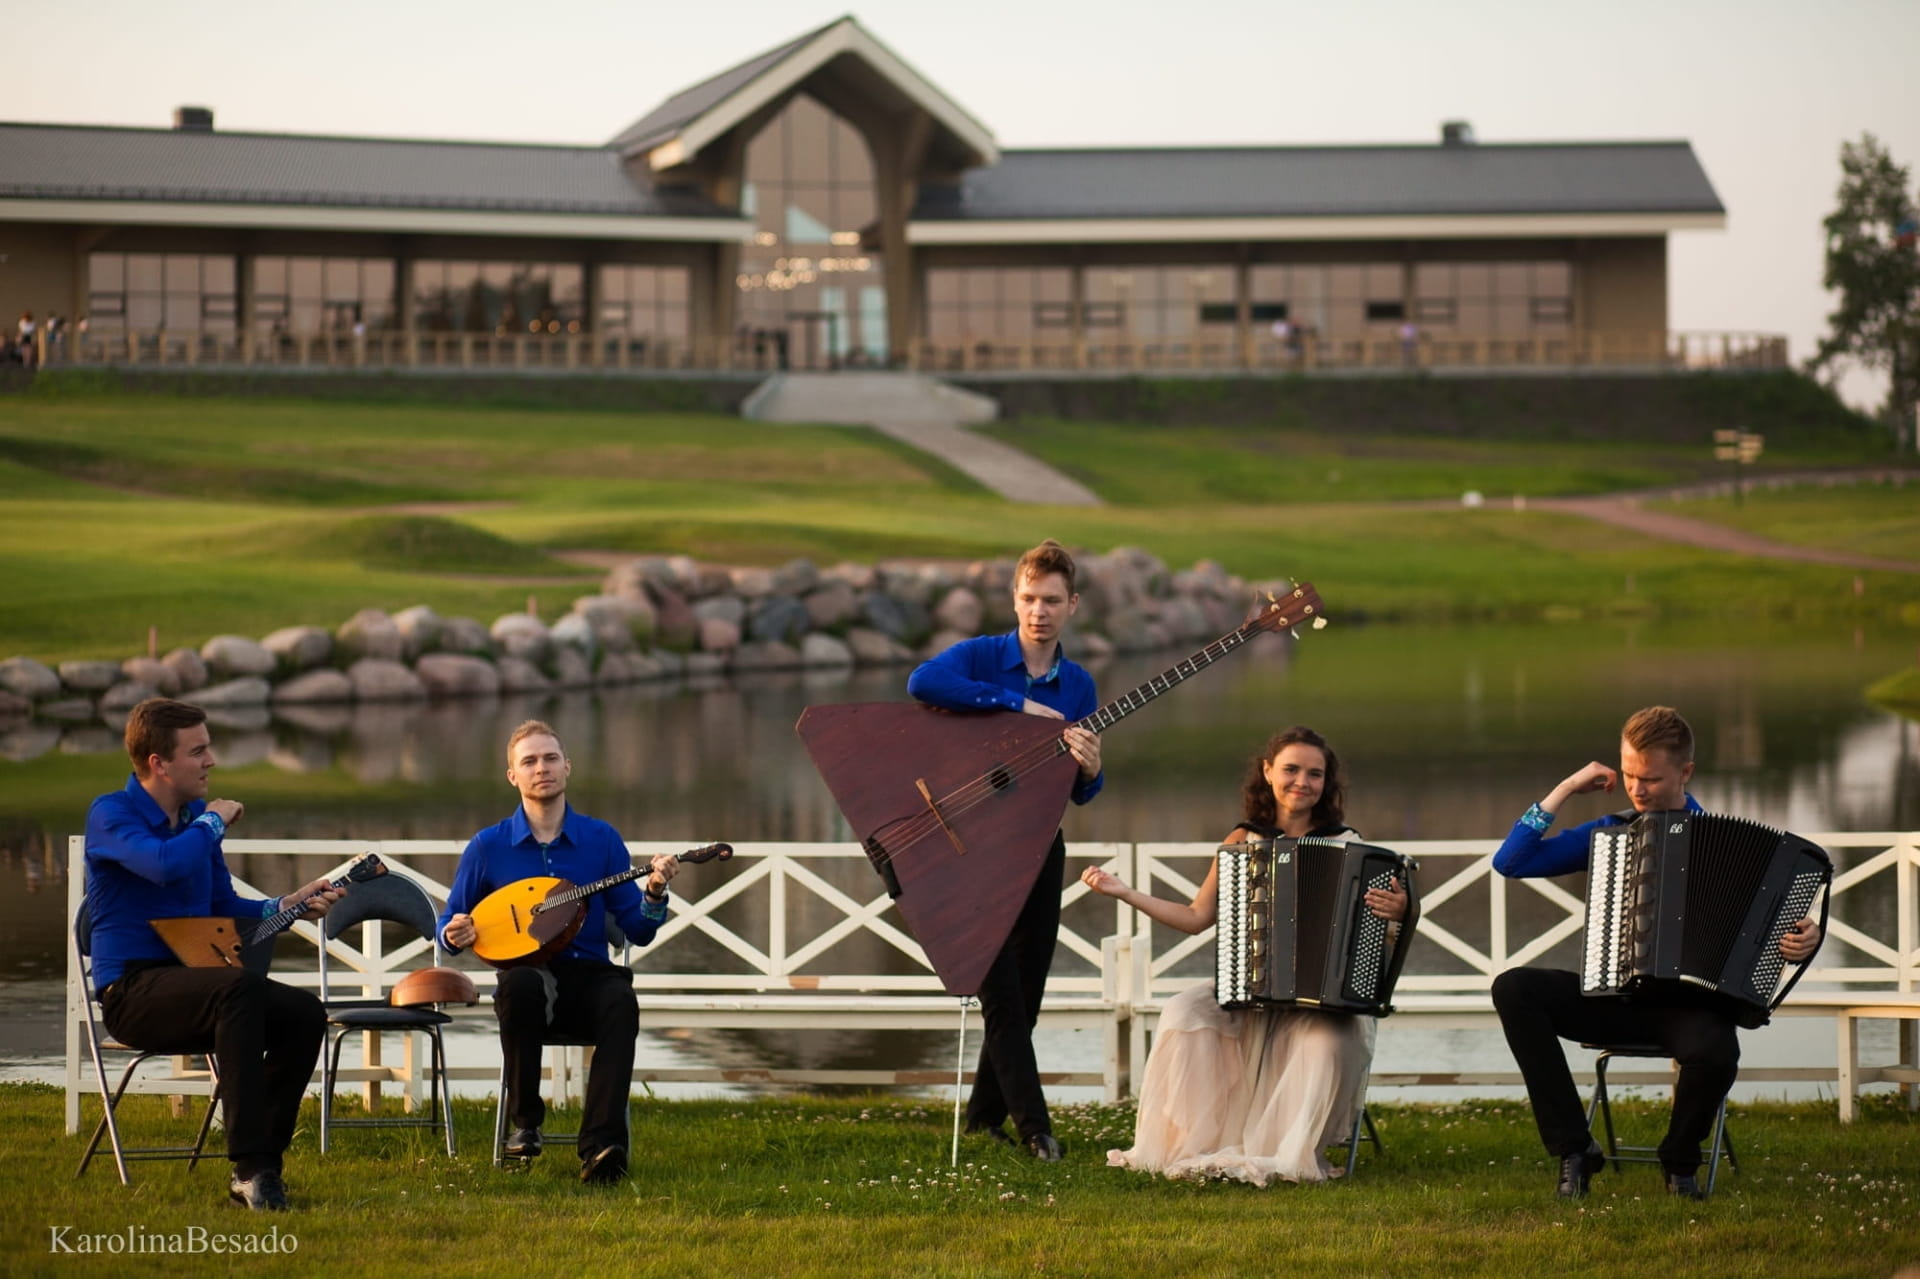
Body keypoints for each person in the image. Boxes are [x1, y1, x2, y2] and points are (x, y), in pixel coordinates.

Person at [1490, 705, 1822, 1201]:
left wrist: (1804, 938)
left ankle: (1680, 1163)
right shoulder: (1612, 831)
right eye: (1628, 774)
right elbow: (1511, 862)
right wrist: (1566, 789)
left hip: (1689, 1012)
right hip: (1611, 1000)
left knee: (1718, 1051)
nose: (1637, 789)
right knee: (1514, 988)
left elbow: (1777, 928)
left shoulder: (1729, 844)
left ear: (1685, 772)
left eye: (1650, 778)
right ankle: (1575, 1149)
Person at [1083, 726, 1407, 1184]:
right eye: (1291, 769)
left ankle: (1290, 1153)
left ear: (1326, 782)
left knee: (1327, 1042)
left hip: (1323, 997)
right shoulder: (1243, 838)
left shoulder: (1348, 843)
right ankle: (1193, 1140)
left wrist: (1400, 910)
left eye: (1315, 774)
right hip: (1251, 986)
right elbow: (1196, 917)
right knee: (1183, 1010)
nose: (1302, 782)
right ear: (1268, 771)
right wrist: (1125, 892)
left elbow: (1383, 930)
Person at [84, 698, 345, 1211]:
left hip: (202, 987)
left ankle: (264, 1168)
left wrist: (288, 905)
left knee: (303, 1012)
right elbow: (163, 865)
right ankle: (249, 1170)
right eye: (198, 751)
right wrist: (213, 821)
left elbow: (222, 905)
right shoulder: (111, 814)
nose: (211, 761)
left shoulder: (194, 821)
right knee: (240, 989)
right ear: (159, 763)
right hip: (132, 993)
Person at [905, 539, 1104, 1161]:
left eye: (1052, 601)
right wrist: (1017, 706)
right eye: (1029, 599)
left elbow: (1079, 794)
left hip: (1040, 850)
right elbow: (921, 681)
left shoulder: (1080, 685)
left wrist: (1091, 769)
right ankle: (1035, 1129)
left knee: (1028, 993)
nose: (1039, 612)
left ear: (1072, 605)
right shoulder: (981, 657)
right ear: (1014, 599)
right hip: (974, 853)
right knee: (1002, 997)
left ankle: (984, 1118)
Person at [437, 720, 678, 1185]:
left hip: (590, 976)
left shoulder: (601, 839)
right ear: (513, 776)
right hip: (528, 980)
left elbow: (638, 931)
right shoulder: (488, 846)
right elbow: (448, 925)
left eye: (550, 758)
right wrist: (455, 932)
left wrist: (654, 893)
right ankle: (526, 1124)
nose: (541, 768)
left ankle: (602, 1147)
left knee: (621, 1001)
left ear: (567, 766)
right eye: (528, 761)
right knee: (519, 985)